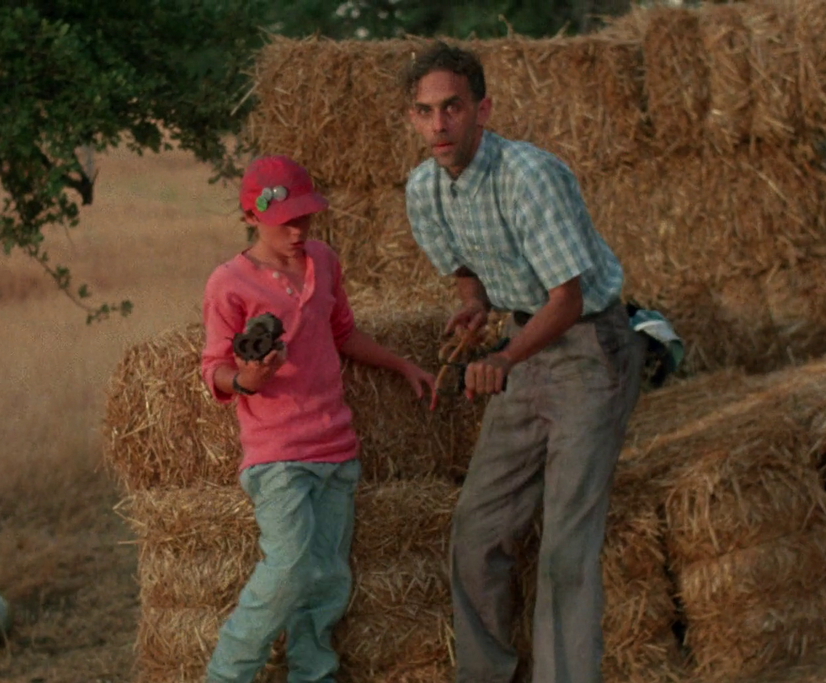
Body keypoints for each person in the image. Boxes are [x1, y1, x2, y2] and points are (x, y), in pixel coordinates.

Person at [400, 42, 646, 683]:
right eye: (425, 111)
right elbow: (463, 266)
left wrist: (505, 357)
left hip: (588, 350)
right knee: (477, 532)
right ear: (412, 119)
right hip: (520, 344)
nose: (439, 124)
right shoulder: (424, 189)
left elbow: (567, 300)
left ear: (482, 109)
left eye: (452, 107)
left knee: (566, 545)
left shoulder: (530, 175)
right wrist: (474, 303)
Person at [200, 154, 438, 683]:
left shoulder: (324, 261)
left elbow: (343, 333)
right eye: (286, 222)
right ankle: (225, 676)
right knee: (287, 570)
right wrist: (246, 381)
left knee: (327, 581)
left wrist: (402, 365)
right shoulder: (229, 283)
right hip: (279, 457)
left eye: (305, 218)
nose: (299, 230)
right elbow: (214, 367)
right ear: (251, 217)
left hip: (337, 450)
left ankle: (314, 676)